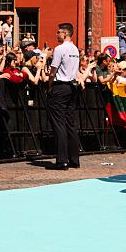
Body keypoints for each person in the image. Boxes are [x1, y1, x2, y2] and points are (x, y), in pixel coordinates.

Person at [45, 22, 81, 170]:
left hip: (60, 87)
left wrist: (50, 86)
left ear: (65, 33)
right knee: (70, 123)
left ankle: (62, 160)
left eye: (59, 32)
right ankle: (74, 159)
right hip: (72, 87)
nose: (56, 34)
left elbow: (53, 71)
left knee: (59, 123)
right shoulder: (75, 49)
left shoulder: (60, 49)